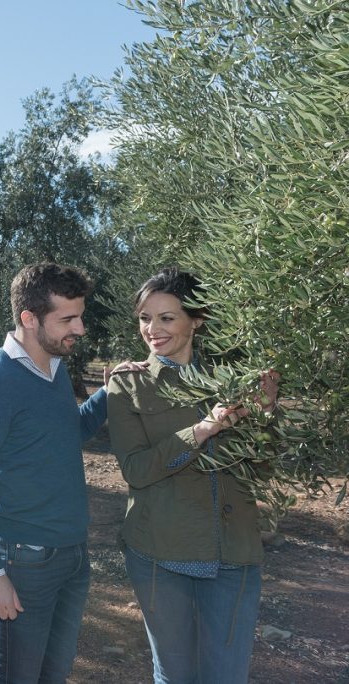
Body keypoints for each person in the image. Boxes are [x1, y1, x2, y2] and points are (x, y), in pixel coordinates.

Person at [0, 262, 147, 684]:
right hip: (24, 561)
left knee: (53, 676)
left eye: (80, 316)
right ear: (29, 318)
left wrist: (108, 391)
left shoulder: (55, 368)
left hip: (72, 556)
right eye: (67, 319)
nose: (79, 328)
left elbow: (68, 433)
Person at [106, 267, 279, 684]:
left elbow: (263, 467)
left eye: (167, 317)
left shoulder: (233, 380)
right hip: (159, 553)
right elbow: (137, 470)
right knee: (175, 675)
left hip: (233, 554)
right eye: (145, 318)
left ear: (195, 320)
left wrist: (267, 412)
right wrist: (202, 430)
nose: (152, 329)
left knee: (226, 675)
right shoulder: (128, 384)